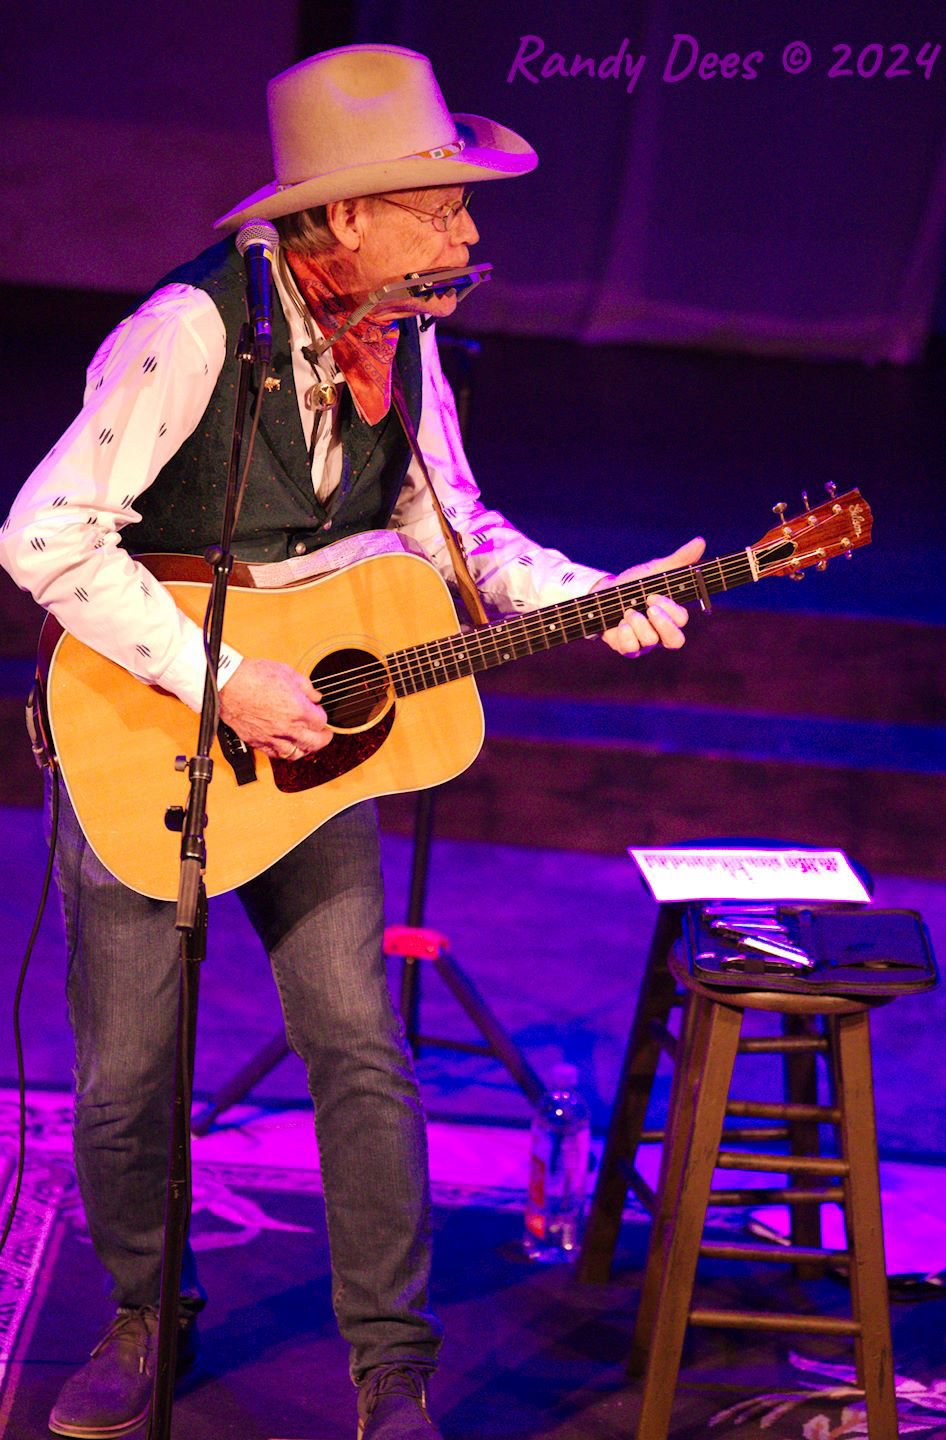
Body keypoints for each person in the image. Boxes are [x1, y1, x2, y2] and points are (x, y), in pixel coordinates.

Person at [0, 43, 704, 1440]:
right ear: (338, 215)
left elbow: (464, 534)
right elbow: (42, 534)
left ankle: (393, 1365)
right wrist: (222, 680)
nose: (467, 229)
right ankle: (145, 1313)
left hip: (312, 751)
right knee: (128, 1072)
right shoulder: (188, 332)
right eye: (438, 202)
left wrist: (591, 594)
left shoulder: (408, 341)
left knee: (359, 1046)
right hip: (155, 732)